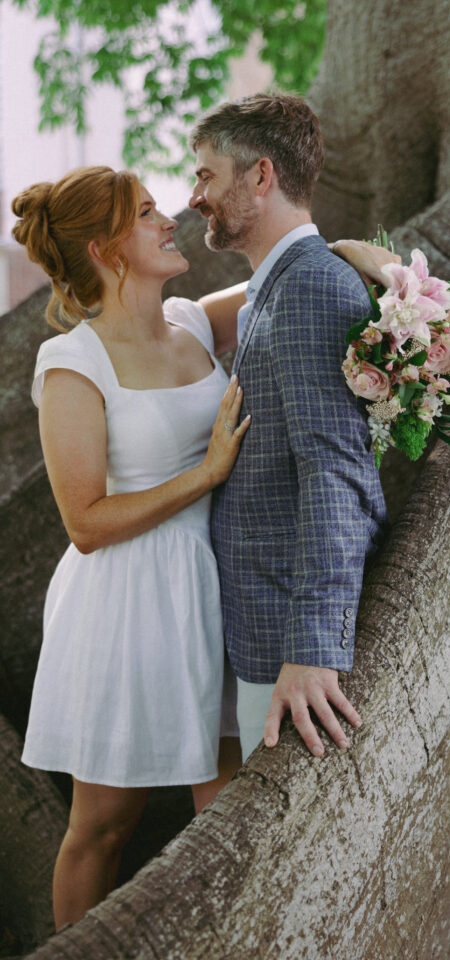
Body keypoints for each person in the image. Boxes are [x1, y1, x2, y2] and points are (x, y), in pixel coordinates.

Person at [13, 164, 394, 926]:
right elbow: (85, 523)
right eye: (147, 214)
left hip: (218, 591)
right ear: (105, 249)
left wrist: (361, 254)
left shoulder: (189, 320)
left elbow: (283, 280)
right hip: (126, 606)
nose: (170, 221)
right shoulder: (72, 364)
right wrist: (209, 472)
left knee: (226, 818)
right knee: (103, 826)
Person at [188, 93, 390, 761]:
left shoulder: (307, 288)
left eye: (207, 175)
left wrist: (311, 650)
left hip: (288, 649)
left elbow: (335, 472)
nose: (195, 197)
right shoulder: (276, 286)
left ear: (261, 177)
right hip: (256, 624)